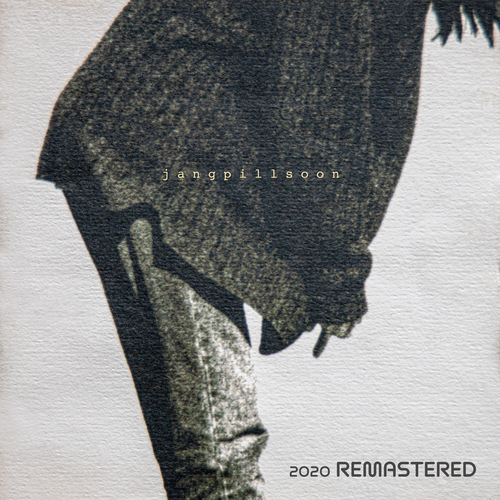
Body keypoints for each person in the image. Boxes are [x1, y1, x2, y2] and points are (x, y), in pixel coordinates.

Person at [37, 1, 498, 498]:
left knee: (206, 455)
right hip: (155, 155)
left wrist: (335, 271)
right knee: (219, 458)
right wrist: (336, 276)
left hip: (170, 154)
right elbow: (318, 120)